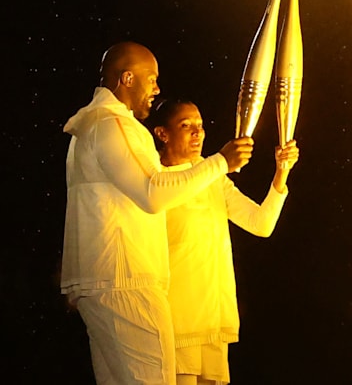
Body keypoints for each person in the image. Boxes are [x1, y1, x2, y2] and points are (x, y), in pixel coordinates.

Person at [61, 41, 254, 385]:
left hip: (102, 282)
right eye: (152, 79)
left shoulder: (91, 127)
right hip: (125, 281)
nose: (157, 89)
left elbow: (152, 186)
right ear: (128, 78)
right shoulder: (113, 125)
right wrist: (221, 162)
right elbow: (152, 193)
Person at [146, 98, 299, 385]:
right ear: (162, 134)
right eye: (185, 125)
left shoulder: (214, 177)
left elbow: (261, 224)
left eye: (200, 125)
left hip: (213, 314)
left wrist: (282, 171)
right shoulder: (156, 182)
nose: (197, 133)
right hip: (177, 317)